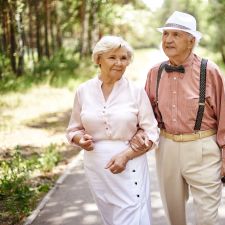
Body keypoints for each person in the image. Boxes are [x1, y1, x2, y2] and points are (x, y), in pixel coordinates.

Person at [130, 11, 225, 225]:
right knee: (175, 218)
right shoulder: (154, 73)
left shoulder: (209, 71)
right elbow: (146, 116)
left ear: (191, 41)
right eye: (165, 34)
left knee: (207, 219)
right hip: (167, 150)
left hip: (203, 150)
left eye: (175, 34)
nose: (168, 40)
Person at [66, 35, 159, 225]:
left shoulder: (136, 92)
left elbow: (152, 132)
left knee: (131, 215)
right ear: (98, 59)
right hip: (96, 168)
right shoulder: (83, 91)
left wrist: (126, 155)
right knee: (110, 218)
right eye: (112, 57)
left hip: (129, 163)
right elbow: (73, 129)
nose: (119, 63)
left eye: (124, 58)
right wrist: (79, 139)